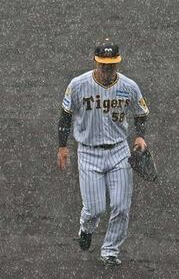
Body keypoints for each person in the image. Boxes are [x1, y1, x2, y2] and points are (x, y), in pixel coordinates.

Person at [56, 38, 150, 267]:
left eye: (112, 65)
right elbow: (65, 115)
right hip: (88, 153)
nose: (107, 69)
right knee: (95, 208)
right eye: (103, 65)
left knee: (120, 206)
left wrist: (139, 136)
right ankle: (86, 227)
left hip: (119, 151)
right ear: (95, 62)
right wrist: (62, 146)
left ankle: (110, 251)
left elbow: (141, 112)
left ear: (117, 63)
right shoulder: (78, 85)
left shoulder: (128, 86)